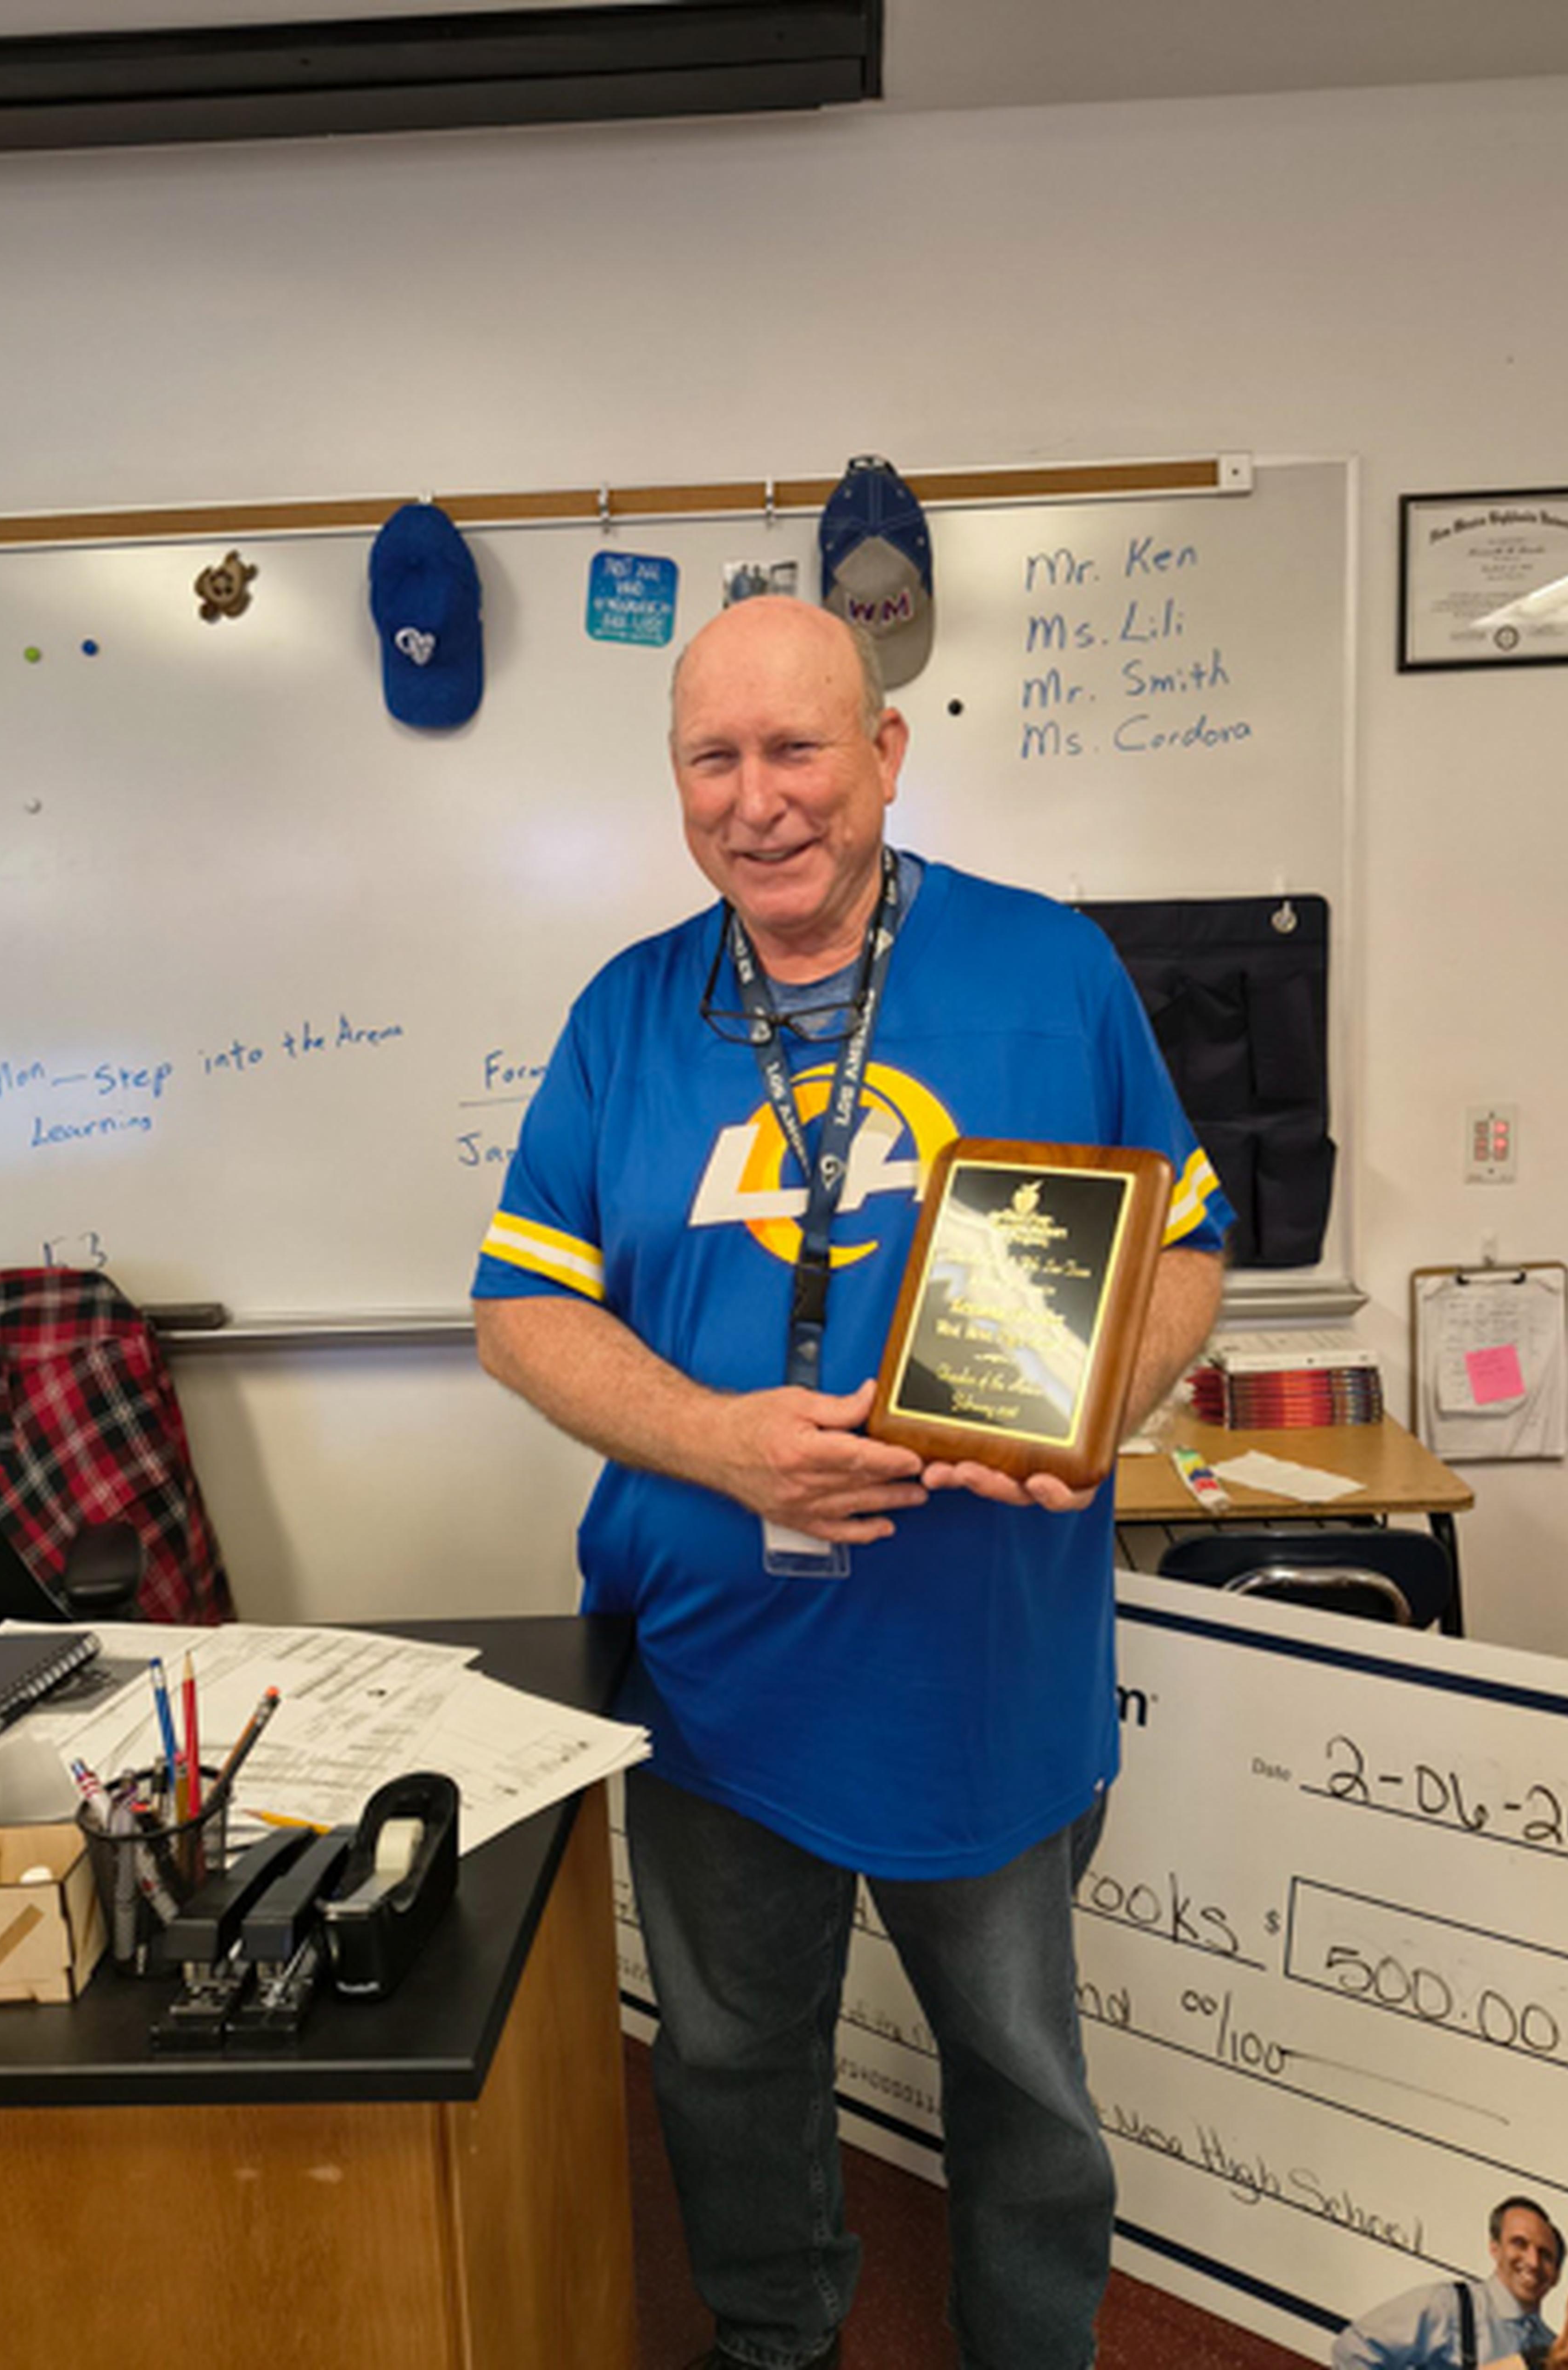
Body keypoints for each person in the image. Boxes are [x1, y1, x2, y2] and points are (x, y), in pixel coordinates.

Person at [470, 595, 1232, 2370]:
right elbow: (522, 1311)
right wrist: (720, 1437)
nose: (759, 801)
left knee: (1026, 2078)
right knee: (732, 2058)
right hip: (713, 1666)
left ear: (884, 753)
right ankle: (773, 2337)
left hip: (980, 1667)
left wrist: (1100, 1396)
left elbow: (1184, 1251)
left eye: (796, 747)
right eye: (712, 759)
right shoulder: (625, 1012)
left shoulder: (1050, 969)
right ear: (677, 781)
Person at [1332, 2195, 1567, 2369]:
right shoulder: (1448, 2306)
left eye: (1546, 2255)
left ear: (1556, 2275)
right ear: (1495, 2248)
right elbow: (1353, 2352)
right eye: (1520, 2244)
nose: (1533, 2262)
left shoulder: (1557, 2351)